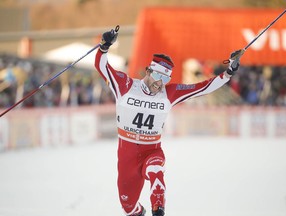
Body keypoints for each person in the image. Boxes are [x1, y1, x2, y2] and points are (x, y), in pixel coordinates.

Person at [94, 27, 243, 216]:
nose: (160, 83)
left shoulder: (169, 93)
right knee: (128, 207)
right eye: (157, 76)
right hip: (127, 157)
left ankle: (158, 210)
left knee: (156, 172)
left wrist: (228, 73)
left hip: (152, 151)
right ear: (148, 71)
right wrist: (104, 47)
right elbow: (102, 67)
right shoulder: (126, 85)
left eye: (165, 78)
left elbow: (202, 87)